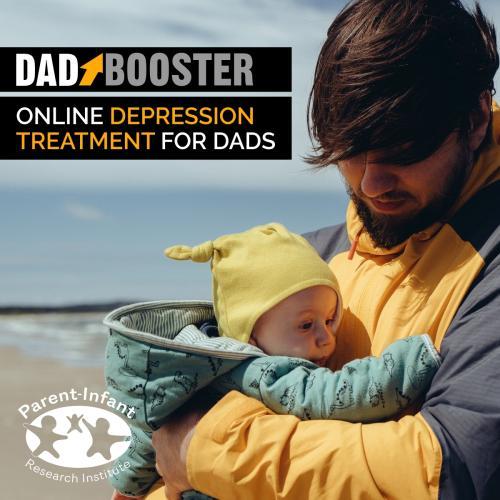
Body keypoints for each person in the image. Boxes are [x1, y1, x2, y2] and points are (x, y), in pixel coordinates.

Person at [148, 0, 500, 499]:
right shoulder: (311, 259)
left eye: (404, 152)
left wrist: (205, 451)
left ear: (477, 117)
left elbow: (455, 467)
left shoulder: (490, 257)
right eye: (350, 153)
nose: (372, 183)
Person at [108, 223, 440, 499]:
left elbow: (143, 439)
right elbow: (339, 395)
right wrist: (413, 359)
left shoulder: (192, 368)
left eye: (330, 319)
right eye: (306, 325)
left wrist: (125, 490)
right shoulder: (264, 371)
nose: (327, 338)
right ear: (250, 335)